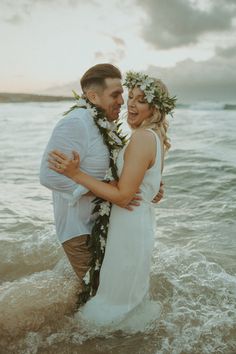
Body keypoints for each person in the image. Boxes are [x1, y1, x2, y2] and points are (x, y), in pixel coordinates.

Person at [48, 71, 176, 325]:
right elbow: (140, 185)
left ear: (155, 108)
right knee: (124, 288)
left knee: (115, 297)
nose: (130, 103)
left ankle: (103, 337)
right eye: (131, 97)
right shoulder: (154, 137)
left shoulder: (142, 137)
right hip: (136, 222)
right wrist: (148, 190)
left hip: (129, 223)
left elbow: (123, 196)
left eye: (141, 100)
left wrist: (76, 173)